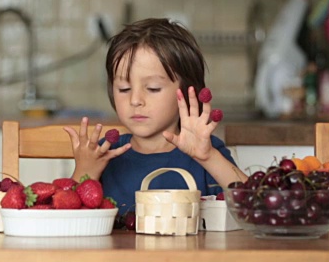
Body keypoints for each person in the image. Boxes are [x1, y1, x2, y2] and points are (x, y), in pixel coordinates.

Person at [64, 18, 247, 214]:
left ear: (186, 92)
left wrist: (209, 158)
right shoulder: (103, 154)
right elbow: (67, 223)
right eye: (124, 89)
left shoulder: (207, 150)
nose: (135, 100)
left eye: (153, 88)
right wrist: (84, 172)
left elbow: (255, 204)